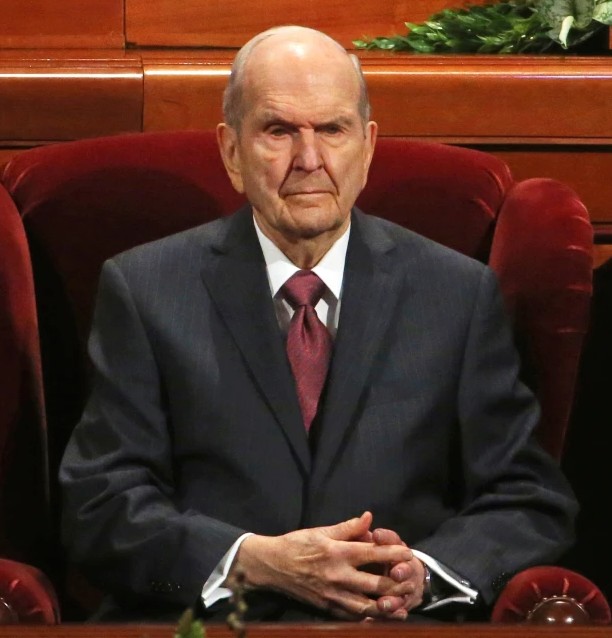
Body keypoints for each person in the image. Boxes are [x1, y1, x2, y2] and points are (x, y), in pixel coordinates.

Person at [59, 25, 577, 623]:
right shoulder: (146, 288)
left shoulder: (457, 293)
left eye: (332, 129)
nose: (309, 160)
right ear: (232, 151)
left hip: (393, 628)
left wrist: (426, 574)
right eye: (279, 131)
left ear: (368, 146)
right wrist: (250, 561)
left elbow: (527, 498)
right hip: (216, 625)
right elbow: (99, 505)